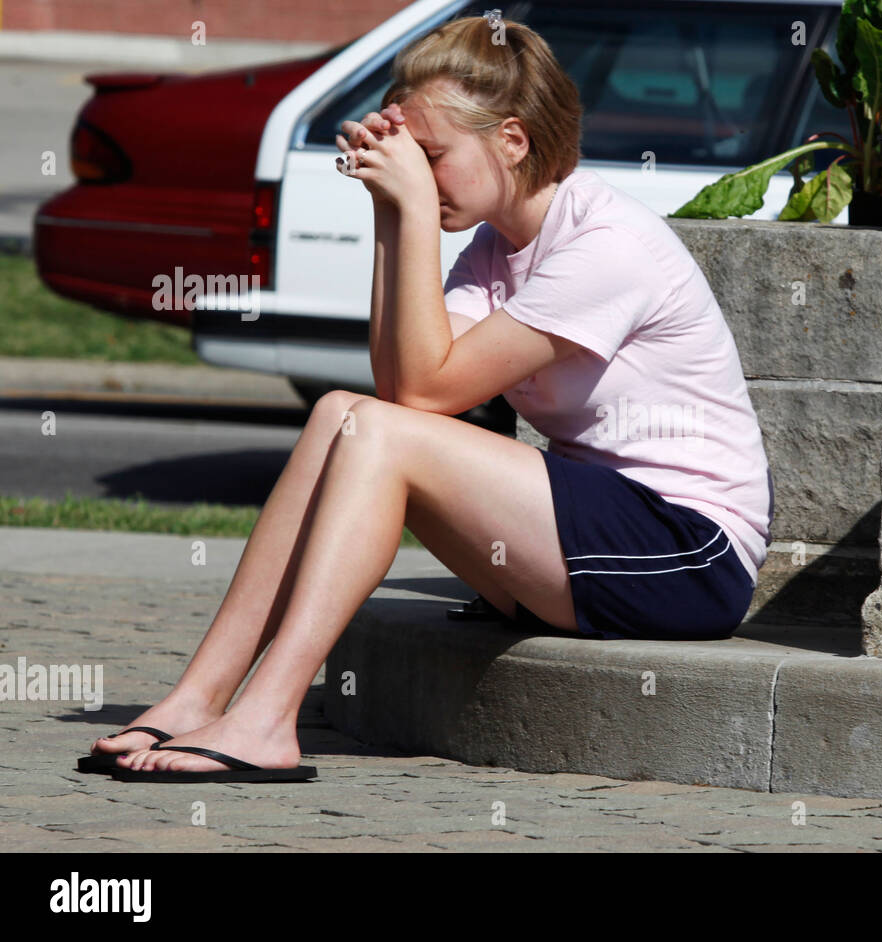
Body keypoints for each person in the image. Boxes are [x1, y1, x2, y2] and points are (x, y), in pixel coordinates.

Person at [83, 12, 772, 782]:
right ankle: (197, 698)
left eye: (431, 154)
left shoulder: (605, 246)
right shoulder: (494, 247)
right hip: (591, 541)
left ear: (512, 140)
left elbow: (420, 395)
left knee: (374, 429)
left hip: (686, 556)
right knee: (339, 415)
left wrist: (410, 208)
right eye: (410, 154)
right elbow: (400, 389)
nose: (418, 170)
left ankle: (269, 716)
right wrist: (390, 211)